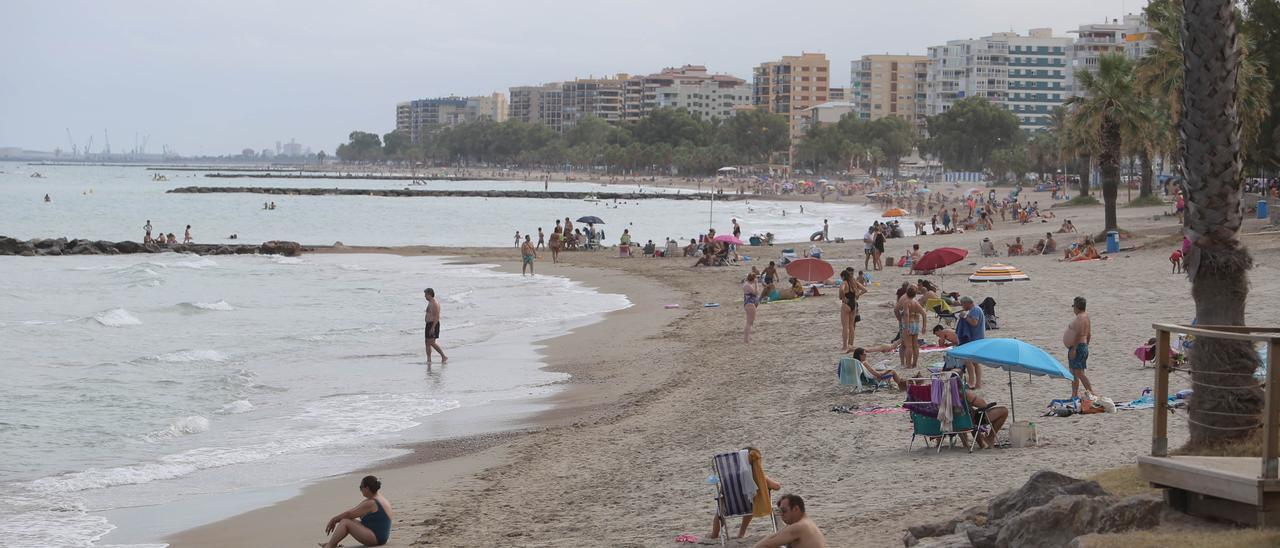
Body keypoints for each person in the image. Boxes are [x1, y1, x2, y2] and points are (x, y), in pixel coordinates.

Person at [707, 447, 780, 542]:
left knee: (720, 508)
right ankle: (741, 533)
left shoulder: (729, 477)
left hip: (731, 508)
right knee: (751, 500)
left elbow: (721, 493)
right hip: (752, 506)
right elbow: (777, 487)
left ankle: (714, 534)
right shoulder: (758, 476)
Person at [321, 475, 392, 548]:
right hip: (380, 536)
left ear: (367, 488)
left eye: (361, 487)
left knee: (345, 522)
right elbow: (353, 511)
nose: (360, 490)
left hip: (377, 538)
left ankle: (329, 546)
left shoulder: (371, 503)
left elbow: (349, 514)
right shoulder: (379, 498)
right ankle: (332, 544)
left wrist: (334, 520)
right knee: (347, 520)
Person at [752, 494, 827, 548]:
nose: (781, 514)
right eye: (780, 511)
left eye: (784, 511)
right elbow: (774, 537)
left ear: (796, 509)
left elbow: (766, 544)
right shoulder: (807, 522)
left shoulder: (799, 527)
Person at [1064, 296, 1094, 399]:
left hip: (1078, 347)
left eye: (1073, 306)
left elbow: (1077, 334)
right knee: (1074, 372)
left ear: (1077, 307)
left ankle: (1091, 393)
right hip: (1083, 346)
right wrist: (1086, 346)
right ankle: (1074, 395)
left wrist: (1074, 349)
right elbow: (1089, 334)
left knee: (1078, 372)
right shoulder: (1086, 317)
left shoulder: (1080, 318)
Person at [956, 296, 985, 389]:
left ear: (967, 303)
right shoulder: (977, 309)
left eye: (963, 304)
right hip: (978, 338)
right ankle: (978, 384)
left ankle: (971, 382)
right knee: (976, 362)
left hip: (975, 339)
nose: (962, 306)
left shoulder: (975, 310)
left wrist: (965, 316)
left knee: (968, 360)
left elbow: (974, 322)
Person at [839, 270, 866, 353]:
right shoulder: (854, 282)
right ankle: (851, 344)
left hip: (846, 305)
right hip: (854, 304)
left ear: (843, 276)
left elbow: (841, 289)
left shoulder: (844, 283)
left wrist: (843, 297)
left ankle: (844, 346)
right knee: (851, 326)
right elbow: (864, 289)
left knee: (845, 327)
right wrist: (858, 295)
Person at [900, 286, 925, 368]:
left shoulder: (907, 302)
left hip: (909, 323)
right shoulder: (916, 302)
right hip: (916, 324)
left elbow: (906, 314)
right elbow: (924, 314)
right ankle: (914, 363)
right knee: (915, 345)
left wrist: (906, 327)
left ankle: (908, 365)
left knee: (909, 346)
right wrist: (924, 326)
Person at [423, 288, 447, 365]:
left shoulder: (435, 303)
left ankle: (443, 356)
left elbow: (437, 316)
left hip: (433, 324)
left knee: (432, 342)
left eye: (426, 294)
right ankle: (429, 359)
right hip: (428, 324)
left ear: (429, 294)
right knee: (427, 342)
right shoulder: (430, 302)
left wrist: (433, 327)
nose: (425, 296)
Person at [743, 271, 763, 343]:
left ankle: (748, 338)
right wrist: (756, 283)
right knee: (749, 322)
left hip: (750, 304)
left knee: (750, 322)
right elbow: (756, 292)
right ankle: (746, 340)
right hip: (750, 304)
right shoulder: (748, 285)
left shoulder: (747, 284)